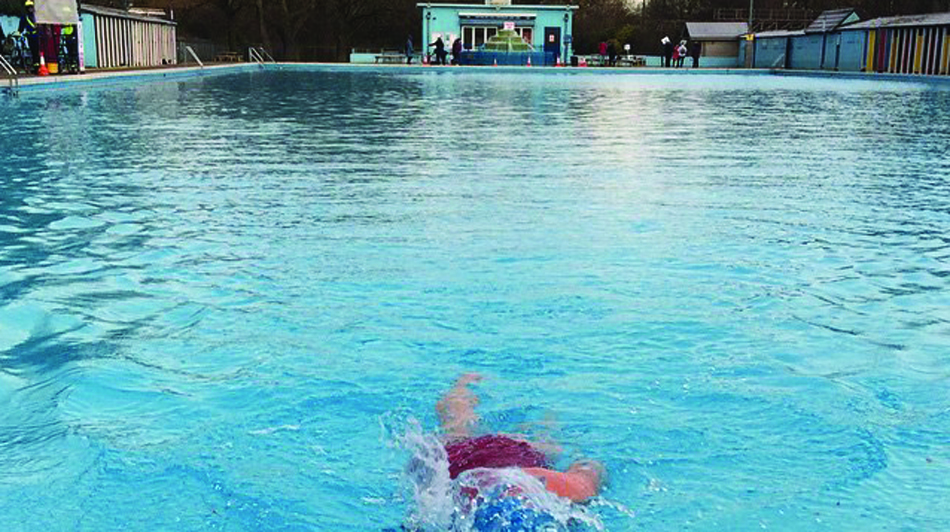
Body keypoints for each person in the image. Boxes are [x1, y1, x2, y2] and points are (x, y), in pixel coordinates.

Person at [436, 373, 605, 504]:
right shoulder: (544, 486)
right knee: (456, 425)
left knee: (457, 425)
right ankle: (461, 387)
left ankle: (462, 385)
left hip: (490, 460)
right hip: (480, 461)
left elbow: (589, 471)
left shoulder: (547, 487)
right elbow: (590, 471)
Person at [18, 0, 38, 73]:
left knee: (37, 51)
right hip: (30, 36)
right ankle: (36, 66)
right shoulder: (25, 17)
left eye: (31, 7)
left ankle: (38, 66)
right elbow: (21, 27)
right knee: (33, 51)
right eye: (29, 7)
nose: (30, 9)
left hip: (37, 36)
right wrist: (18, 33)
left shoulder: (36, 16)